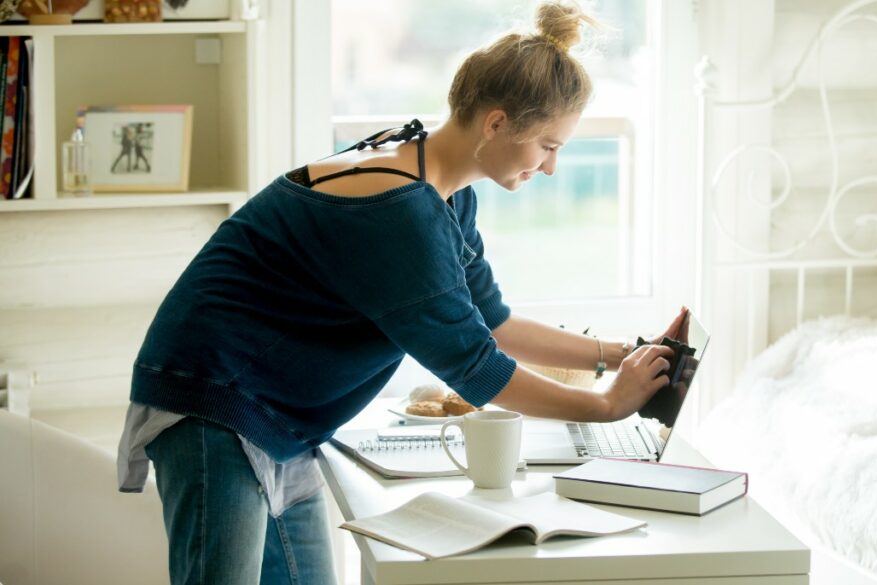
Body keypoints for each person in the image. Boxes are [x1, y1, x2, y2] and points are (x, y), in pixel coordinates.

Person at [117, 2, 689, 584]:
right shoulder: (401, 210)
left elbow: (491, 321)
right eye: (548, 145)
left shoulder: (436, 181)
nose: (550, 169)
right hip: (217, 397)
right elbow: (477, 369)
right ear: (495, 124)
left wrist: (621, 354)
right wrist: (605, 407)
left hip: (277, 416)